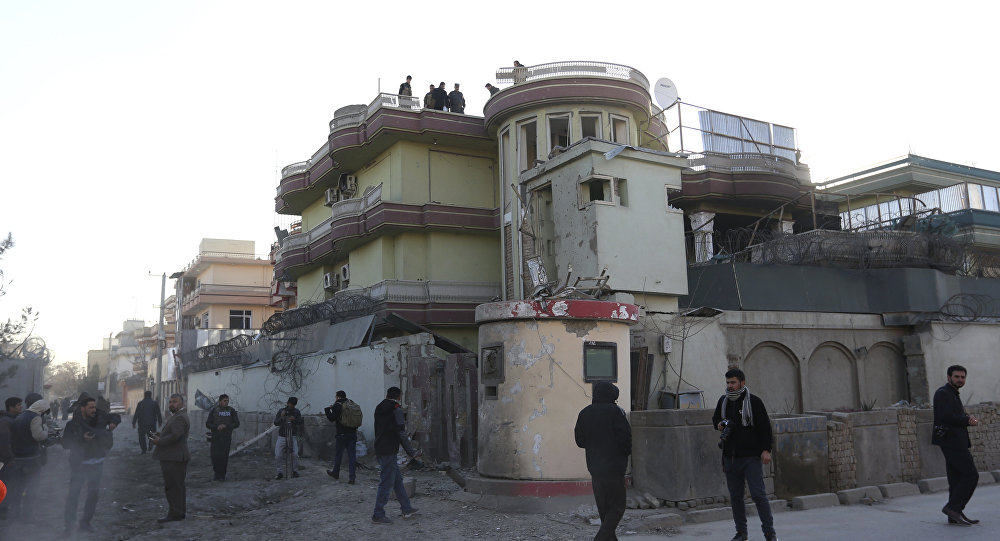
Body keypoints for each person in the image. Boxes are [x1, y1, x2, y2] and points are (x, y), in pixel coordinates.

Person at [711, 369, 777, 541]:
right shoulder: (724, 401)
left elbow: (765, 428)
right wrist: (719, 424)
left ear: (742, 382)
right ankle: (741, 533)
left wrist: (766, 450)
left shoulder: (754, 402)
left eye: (733, 382)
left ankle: (769, 533)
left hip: (751, 457)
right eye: (727, 383)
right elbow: (715, 419)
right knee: (736, 497)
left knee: (758, 495)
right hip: (730, 457)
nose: (730, 386)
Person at [574, 382, 631, 541]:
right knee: (618, 506)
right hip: (614, 467)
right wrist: (624, 454)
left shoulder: (584, 413)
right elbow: (625, 438)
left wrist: (594, 445)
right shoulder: (616, 412)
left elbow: (580, 441)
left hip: (595, 467)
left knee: (604, 508)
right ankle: (600, 538)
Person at [933, 364, 979, 525]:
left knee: (956, 478)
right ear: (949, 377)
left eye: (963, 377)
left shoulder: (952, 393)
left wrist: (965, 418)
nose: (960, 380)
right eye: (957, 377)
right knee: (971, 475)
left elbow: (951, 414)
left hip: (954, 441)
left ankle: (954, 514)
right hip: (952, 442)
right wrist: (967, 420)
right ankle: (953, 507)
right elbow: (946, 416)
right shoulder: (943, 393)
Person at [62, 396, 113, 534]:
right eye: (91, 407)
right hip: (79, 464)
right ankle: (69, 526)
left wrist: (108, 433)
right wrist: (82, 439)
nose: (94, 410)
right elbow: (65, 443)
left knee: (93, 495)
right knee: (74, 494)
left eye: (94, 407)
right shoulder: (72, 425)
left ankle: (85, 522)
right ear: (82, 408)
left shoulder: (99, 423)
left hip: (97, 463)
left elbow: (108, 441)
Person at [371, 386, 420, 524]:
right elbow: (401, 433)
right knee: (386, 483)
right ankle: (378, 513)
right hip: (389, 450)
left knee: (397, 481)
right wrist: (412, 452)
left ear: (387, 395)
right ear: (399, 396)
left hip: (380, 447)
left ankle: (406, 508)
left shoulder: (379, 407)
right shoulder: (396, 409)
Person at [8, 393, 49, 520]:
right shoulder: (35, 417)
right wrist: (46, 430)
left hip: (18, 458)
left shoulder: (20, 416)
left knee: (18, 488)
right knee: (32, 488)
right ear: (41, 409)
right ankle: (27, 517)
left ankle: (14, 515)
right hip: (31, 458)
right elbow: (39, 436)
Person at [150, 393, 190, 523]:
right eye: (170, 402)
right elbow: (173, 433)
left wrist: (159, 441)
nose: (171, 404)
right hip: (174, 456)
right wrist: (160, 435)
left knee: (173, 486)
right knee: (177, 486)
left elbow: (175, 436)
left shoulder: (180, 418)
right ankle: (179, 512)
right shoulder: (177, 416)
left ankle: (175, 514)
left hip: (174, 457)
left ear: (181, 404)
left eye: (175, 402)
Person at [324, 390, 358, 484]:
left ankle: (335, 472)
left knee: (339, 454)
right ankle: (352, 477)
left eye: (336, 397)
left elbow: (331, 418)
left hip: (342, 434)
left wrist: (328, 409)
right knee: (352, 456)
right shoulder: (351, 403)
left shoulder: (338, 405)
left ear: (338, 397)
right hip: (352, 433)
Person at [206, 394, 240, 481]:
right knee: (214, 456)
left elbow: (237, 423)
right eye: (225, 401)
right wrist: (216, 427)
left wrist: (226, 426)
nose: (226, 402)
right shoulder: (214, 410)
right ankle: (216, 473)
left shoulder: (231, 411)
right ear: (220, 401)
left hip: (226, 437)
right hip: (216, 437)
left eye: (227, 401)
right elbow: (208, 423)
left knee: (224, 457)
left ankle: (222, 475)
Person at [0, 397, 23, 522]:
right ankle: (3, 514)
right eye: (18, 405)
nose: (21, 407)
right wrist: (10, 459)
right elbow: (4, 443)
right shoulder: (5, 422)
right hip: (6, 461)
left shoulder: (13, 419)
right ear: (11, 407)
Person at [273, 397, 303, 479]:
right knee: (278, 455)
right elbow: (276, 423)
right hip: (282, 436)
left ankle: (295, 471)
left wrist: (295, 419)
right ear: (287, 403)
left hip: (292, 436)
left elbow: (300, 422)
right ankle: (279, 472)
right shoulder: (281, 411)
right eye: (290, 404)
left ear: (295, 405)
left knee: (295, 454)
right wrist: (282, 417)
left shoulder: (296, 412)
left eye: (292, 405)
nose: (291, 407)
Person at [132, 390, 162, 454]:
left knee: (141, 437)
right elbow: (158, 413)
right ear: (151, 395)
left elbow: (136, 414)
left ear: (144, 395)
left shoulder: (140, 403)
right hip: (152, 424)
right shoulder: (155, 403)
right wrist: (160, 422)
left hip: (142, 424)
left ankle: (144, 450)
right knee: (151, 435)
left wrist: (133, 423)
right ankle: (151, 444)